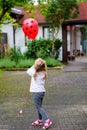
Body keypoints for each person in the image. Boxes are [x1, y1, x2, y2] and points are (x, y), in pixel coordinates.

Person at [27, 58, 52, 129]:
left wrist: (34, 66)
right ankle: (39, 120)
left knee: (39, 107)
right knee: (39, 106)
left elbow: (28, 71)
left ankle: (47, 120)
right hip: (41, 92)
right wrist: (37, 65)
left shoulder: (34, 73)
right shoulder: (44, 73)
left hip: (37, 93)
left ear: (36, 66)